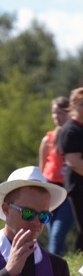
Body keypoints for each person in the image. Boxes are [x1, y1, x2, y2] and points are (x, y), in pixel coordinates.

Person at [39, 97, 74, 256]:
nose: (56, 117)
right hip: (50, 189)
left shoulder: (74, 136)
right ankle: (57, 266)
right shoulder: (48, 139)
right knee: (52, 229)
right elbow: (42, 166)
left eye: (60, 113)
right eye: (54, 113)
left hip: (69, 190)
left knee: (58, 232)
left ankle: (53, 266)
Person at [59, 87, 83, 252]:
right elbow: (74, 162)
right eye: (81, 104)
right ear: (73, 106)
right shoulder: (71, 130)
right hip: (79, 186)